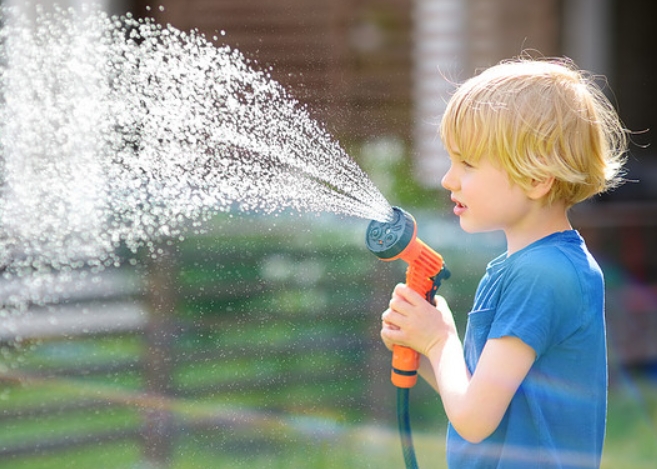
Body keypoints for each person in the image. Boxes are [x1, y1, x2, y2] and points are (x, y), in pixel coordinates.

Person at [380, 56, 628, 468]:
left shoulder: (543, 276)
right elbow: (484, 397)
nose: (448, 179)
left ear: (535, 178)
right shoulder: (521, 268)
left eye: (468, 164)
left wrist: (439, 340)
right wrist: (421, 349)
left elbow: (475, 421)